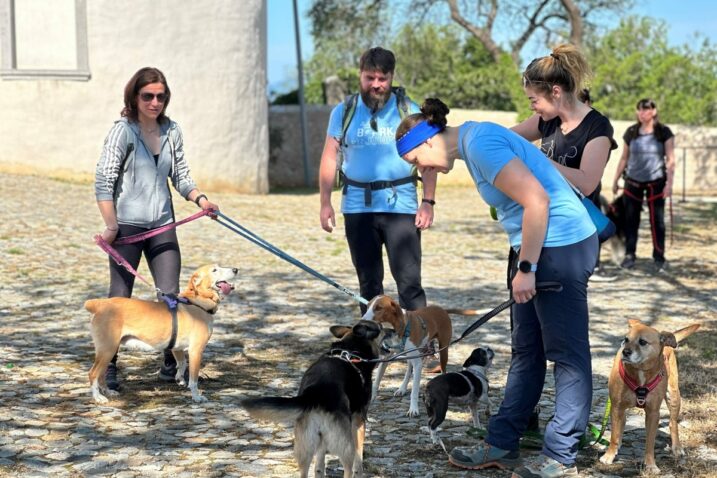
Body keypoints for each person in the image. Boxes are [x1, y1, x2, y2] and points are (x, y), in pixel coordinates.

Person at [395, 98, 598, 478]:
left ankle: (560, 456)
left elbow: (537, 201)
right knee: (526, 350)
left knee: (566, 355)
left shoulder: (480, 144)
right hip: (538, 248)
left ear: (423, 142)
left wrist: (527, 267)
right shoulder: (474, 143)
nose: (421, 172)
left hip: (561, 246)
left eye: (415, 164)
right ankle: (502, 442)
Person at [94, 67, 218, 391]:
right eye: (148, 96)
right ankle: (109, 367)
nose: (155, 102)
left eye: (160, 96)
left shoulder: (171, 130)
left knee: (170, 296)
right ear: (134, 97)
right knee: (119, 298)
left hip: (163, 224)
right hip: (127, 229)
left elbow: (181, 177)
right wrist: (111, 225)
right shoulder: (122, 131)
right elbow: (104, 182)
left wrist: (201, 200)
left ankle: (170, 363)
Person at [318, 47, 437, 314]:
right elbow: (329, 157)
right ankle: (373, 345)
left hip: (401, 208)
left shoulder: (409, 110)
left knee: (409, 283)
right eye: (370, 78)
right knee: (368, 285)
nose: (376, 85)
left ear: (391, 77)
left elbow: (428, 161)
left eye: (382, 79)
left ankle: (418, 345)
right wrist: (325, 202)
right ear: (360, 76)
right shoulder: (343, 111)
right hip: (358, 209)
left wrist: (428, 202)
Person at [511, 44, 616, 281]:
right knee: (523, 316)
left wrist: (538, 160)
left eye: (534, 100)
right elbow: (507, 138)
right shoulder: (545, 119)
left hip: (570, 237)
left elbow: (587, 183)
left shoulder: (597, 127)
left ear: (555, 92)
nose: (532, 107)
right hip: (535, 228)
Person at [612, 98, 675, 272]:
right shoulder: (631, 132)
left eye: (646, 109)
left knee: (658, 222)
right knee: (631, 221)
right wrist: (616, 179)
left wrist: (669, 184)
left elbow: (671, 160)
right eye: (639, 109)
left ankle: (659, 257)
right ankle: (630, 255)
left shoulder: (664, 132)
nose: (642, 112)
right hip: (632, 182)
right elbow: (624, 157)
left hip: (656, 183)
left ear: (654, 111)